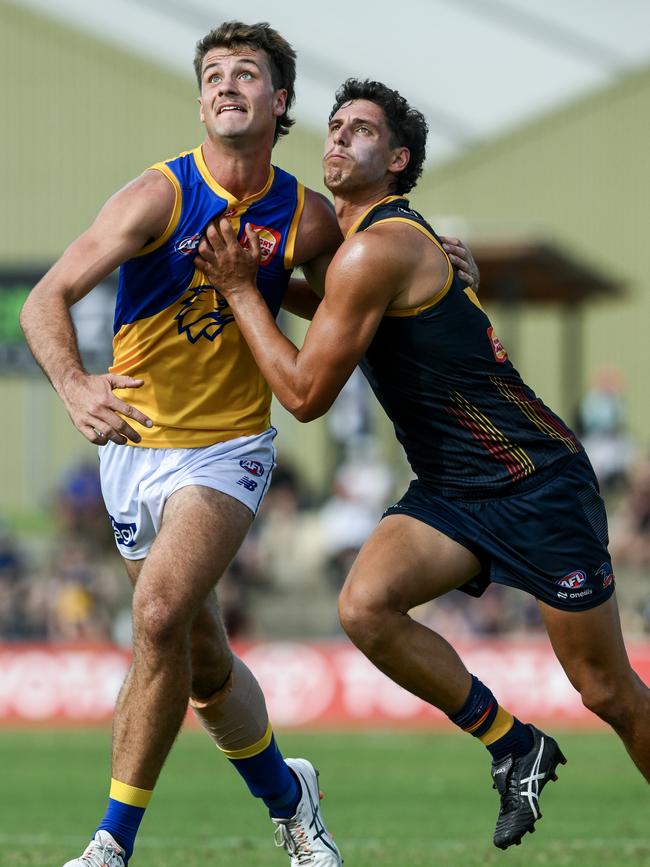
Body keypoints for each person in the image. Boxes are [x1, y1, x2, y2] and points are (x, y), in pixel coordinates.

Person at [195, 77, 650, 851]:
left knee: (606, 688)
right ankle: (515, 745)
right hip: (456, 489)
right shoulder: (369, 250)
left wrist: (243, 292)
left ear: (398, 159)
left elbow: (305, 393)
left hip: (535, 482)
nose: (338, 138)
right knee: (365, 607)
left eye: (362, 130)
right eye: (334, 126)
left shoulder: (380, 246)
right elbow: (340, 304)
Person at [20, 21, 356, 867]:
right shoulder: (158, 196)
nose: (225, 85)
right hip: (132, 446)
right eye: (212, 73)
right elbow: (43, 301)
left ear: (280, 102)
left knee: (159, 612)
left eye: (246, 73)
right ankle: (293, 798)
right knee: (201, 662)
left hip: (228, 447)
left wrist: (438, 262)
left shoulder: (304, 216)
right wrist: (75, 385)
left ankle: (109, 843)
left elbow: (358, 286)